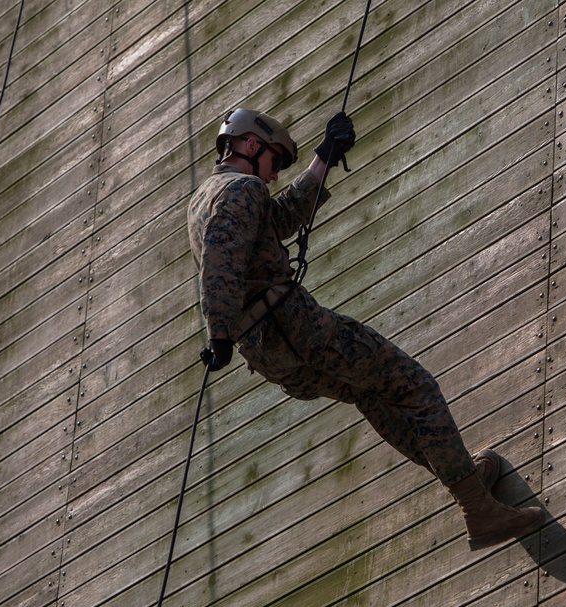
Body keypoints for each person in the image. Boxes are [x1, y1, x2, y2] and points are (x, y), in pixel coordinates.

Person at [187, 108, 544, 550]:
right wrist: (216, 334)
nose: (276, 175)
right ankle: (478, 508)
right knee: (413, 386)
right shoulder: (242, 189)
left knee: (371, 395)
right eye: (275, 163)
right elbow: (220, 266)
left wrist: (326, 156)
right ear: (251, 146)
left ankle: (467, 482)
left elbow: (276, 222)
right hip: (296, 326)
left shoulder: (206, 198)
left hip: (269, 353)